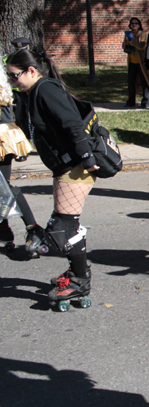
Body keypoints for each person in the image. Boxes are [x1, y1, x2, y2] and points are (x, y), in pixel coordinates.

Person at [6, 48, 100, 307]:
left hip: (76, 166)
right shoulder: (31, 93)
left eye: (14, 76)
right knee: (65, 226)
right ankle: (78, 274)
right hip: (64, 166)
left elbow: (72, 123)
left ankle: (79, 281)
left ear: (32, 71)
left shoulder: (46, 89)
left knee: (61, 229)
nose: (11, 80)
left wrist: (86, 156)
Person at [0, 64, 43, 258]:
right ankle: (4, 229)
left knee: (4, 187)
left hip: (2, 136)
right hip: (4, 133)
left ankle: (32, 228)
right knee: (2, 186)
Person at [122, 17, 149, 108]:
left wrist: (132, 41)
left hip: (141, 62)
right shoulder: (128, 34)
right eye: (132, 23)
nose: (134, 24)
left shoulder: (143, 34)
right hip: (132, 61)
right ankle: (131, 101)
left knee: (144, 81)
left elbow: (142, 46)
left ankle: (145, 101)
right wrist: (127, 42)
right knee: (131, 82)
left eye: (136, 23)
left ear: (139, 25)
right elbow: (124, 46)